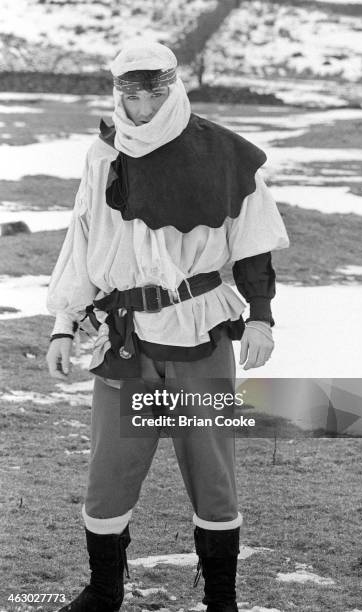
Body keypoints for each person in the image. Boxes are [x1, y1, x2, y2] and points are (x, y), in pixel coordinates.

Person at [46, 40, 289, 612]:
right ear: (119, 93)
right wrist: (63, 323)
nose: (144, 107)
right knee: (110, 469)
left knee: (210, 465)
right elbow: (82, 242)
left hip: (198, 331)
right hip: (124, 336)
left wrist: (261, 318)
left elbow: (253, 248)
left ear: (172, 87)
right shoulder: (101, 157)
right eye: (132, 95)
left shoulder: (223, 153)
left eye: (155, 94)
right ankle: (105, 590)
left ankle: (222, 598)